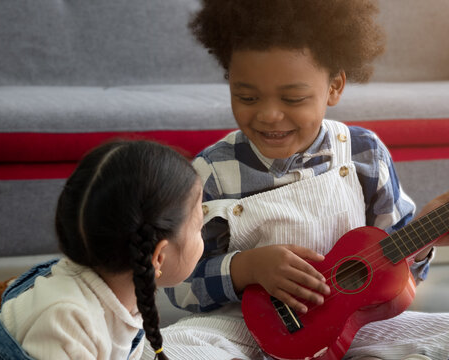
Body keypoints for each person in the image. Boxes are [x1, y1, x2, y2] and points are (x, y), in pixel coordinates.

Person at [141, 1, 449, 359]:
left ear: (334, 86)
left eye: (293, 98)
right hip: (241, 327)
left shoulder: (364, 153)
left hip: (355, 327)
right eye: (247, 97)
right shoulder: (210, 171)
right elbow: (178, 285)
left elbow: (396, 273)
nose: (270, 115)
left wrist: (424, 240)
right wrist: (246, 268)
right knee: (161, 351)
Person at [0, 140, 204, 360]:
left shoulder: (125, 299)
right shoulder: (65, 318)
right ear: (158, 257)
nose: (203, 235)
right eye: (199, 228)